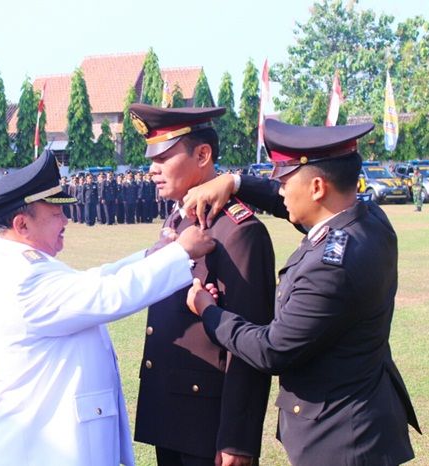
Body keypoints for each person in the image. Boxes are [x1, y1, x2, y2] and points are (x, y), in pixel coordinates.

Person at [184, 119, 421, 466]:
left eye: (284, 180)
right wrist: (235, 182)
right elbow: (294, 208)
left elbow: (273, 349)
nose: (278, 189)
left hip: (339, 440)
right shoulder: (369, 219)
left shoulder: (329, 268)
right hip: (365, 421)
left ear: (317, 188)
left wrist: (208, 311)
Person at [0, 151, 215, 466]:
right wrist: (180, 253)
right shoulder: (24, 280)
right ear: (22, 224)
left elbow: (89, 281)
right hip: (46, 449)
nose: (66, 220)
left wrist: (152, 254)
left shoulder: (26, 265)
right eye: (55, 214)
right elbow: (105, 294)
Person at [129, 104, 276, 466]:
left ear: (203, 155)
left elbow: (249, 344)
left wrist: (238, 440)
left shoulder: (238, 232)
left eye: (164, 156)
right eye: (152, 158)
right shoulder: (179, 220)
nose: (152, 169)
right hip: (171, 412)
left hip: (207, 428)